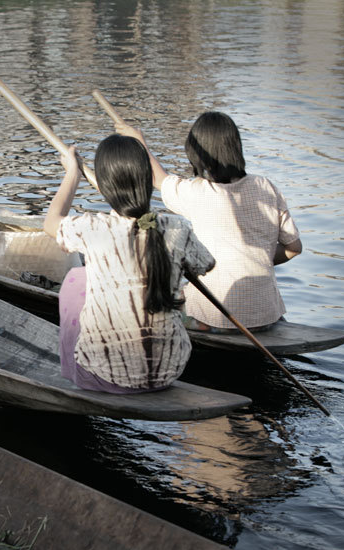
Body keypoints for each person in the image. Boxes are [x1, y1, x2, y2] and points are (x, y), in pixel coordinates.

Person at [44, 136, 214, 393]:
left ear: (102, 185)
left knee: (76, 278)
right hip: (169, 371)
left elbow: (51, 222)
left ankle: (73, 371)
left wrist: (72, 175)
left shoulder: (93, 227)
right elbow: (206, 264)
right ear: (147, 181)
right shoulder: (176, 227)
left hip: (103, 375)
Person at [117, 112, 302, 332]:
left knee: (152, 301)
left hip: (215, 318)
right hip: (267, 314)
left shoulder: (198, 192)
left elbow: (157, 178)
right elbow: (293, 248)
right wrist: (255, 257)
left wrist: (140, 142)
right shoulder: (266, 186)